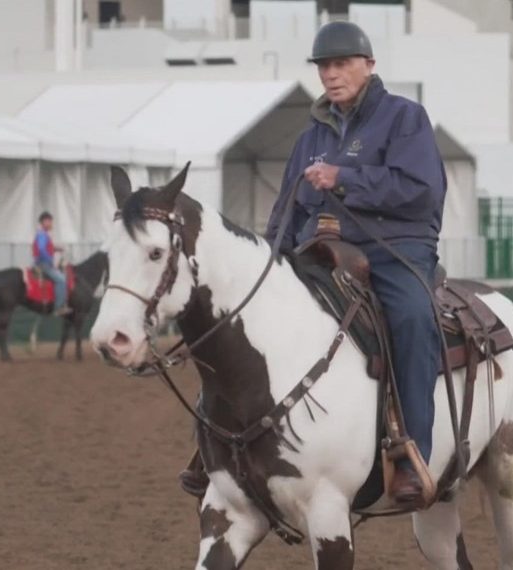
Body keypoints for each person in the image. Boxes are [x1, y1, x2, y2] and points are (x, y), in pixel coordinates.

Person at [178, 21, 447, 507]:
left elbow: (421, 190)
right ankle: (213, 442)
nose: (331, 74)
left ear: (369, 65)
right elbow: (287, 209)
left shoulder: (404, 118)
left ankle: (411, 453)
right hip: (315, 253)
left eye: (342, 63)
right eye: (324, 65)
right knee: (240, 321)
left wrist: (343, 178)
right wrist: (262, 261)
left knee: (411, 317)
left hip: (393, 250)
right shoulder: (311, 136)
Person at [33, 212, 71, 316]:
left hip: (43, 262)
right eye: (48, 221)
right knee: (61, 280)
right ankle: (58, 308)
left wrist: (56, 249)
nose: (51, 223)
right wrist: (50, 261)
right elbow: (41, 249)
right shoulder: (42, 234)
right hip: (43, 264)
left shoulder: (44, 234)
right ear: (43, 222)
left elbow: (45, 248)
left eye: (51, 221)